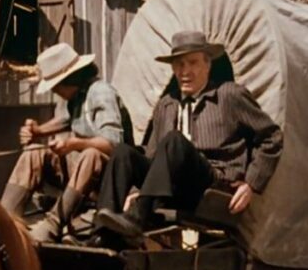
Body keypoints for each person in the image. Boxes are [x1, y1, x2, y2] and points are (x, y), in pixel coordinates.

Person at [94, 30, 283, 243]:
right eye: (179, 65)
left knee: (175, 141)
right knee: (123, 153)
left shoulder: (229, 95)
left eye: (192, 63)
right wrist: (139, 190)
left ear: (207, 64)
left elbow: (272, 137)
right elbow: (152, 155)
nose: (185, 71)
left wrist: (251, 184)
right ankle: (102, 233)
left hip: (211, 184)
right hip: (170, 189)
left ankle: (138, 217)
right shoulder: (166, 104)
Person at [0, 42, 132, 243]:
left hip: (109, 180)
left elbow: (114, 143)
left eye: (55, 87)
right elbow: (64, 120)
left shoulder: (101, 92)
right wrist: (37, 132)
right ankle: (5, 220)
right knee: (34, 152)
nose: (55, 92)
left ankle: (53, 224)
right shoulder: (74, 98)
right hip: (80, 173)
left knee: (91, 154)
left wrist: (74, 144)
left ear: (68, 79)